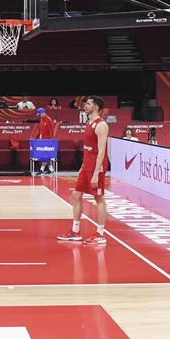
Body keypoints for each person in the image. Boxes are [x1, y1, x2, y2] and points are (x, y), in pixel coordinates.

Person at [58, 95, 110, 246]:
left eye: (88, 103)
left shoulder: (101, 125)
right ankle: (75, 232)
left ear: (95, 107)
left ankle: (100, 234)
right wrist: (83, 166)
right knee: (76, 195)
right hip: (86, 164)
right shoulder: (89, 122)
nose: (85, 105)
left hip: (97, 167)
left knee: (98, 198)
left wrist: (95, 173)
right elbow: (89, 148)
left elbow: (101, 151)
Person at [35, 107, 57, 173]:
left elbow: (52, 130)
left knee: (45, 155)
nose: (39, 116)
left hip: (48, 140)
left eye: (39, 114)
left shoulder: (49, 119)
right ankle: (51, 169)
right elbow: (39, 130)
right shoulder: (41, 119)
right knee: (47, 155)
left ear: (43, 113)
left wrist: (51, 140)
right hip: (42, 140)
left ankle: (42, 169)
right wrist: (36, 138)